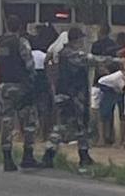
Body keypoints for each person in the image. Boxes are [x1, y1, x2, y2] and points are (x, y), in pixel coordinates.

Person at [42, 26, 98, 171]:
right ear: (77, 40)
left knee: (82, 127)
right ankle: (48, 155)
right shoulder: (69, 54)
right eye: (81, 39)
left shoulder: (66, 53)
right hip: (70, 96)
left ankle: (84, 156)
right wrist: (117, 61)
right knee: (62, 127)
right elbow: (91, 60)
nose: (82, 42)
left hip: (75, 96)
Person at [0, 14, 38, 172]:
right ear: (20, 27)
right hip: (21, 87)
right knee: (28, 122)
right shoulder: (21, 42)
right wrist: (33, 79)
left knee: (6, 122)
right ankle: (28, 156)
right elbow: (29, 64)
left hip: (4, 86)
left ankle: (7, 159)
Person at [96, 59, 125, 146]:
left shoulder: (119, 75)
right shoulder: (118, 76)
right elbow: (122, 87)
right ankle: (103, 139)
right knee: (105, 114)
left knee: (121, 115)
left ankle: (118, 140)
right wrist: (115, 90)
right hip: (108, 89)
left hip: (115, 89)